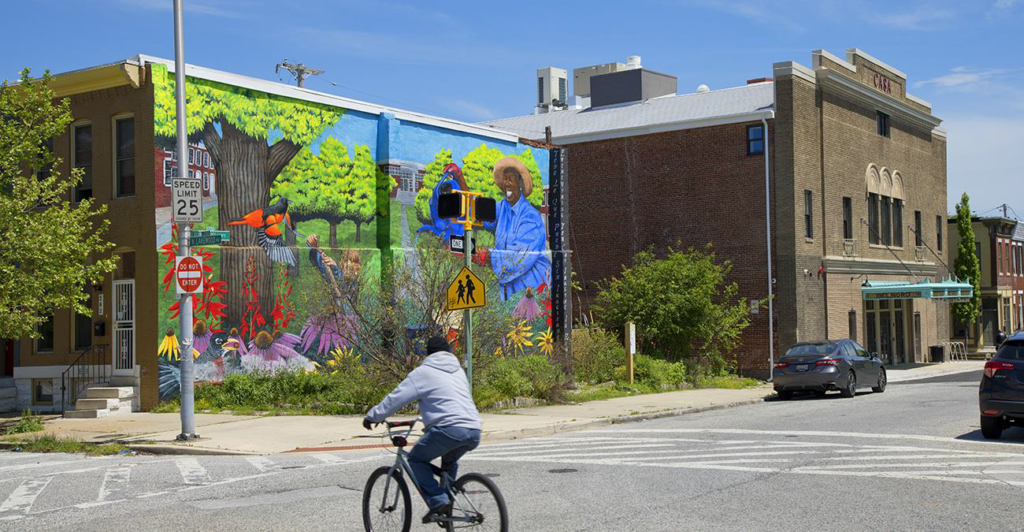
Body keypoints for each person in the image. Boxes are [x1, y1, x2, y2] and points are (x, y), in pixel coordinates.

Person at [363, 336, 482, 523]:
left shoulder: (423, 372)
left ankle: (439, 501)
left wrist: (374, 416)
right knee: (448, 463)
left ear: (429, 353)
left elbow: (396, 398)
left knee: (415, 459)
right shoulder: (459, 371)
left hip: (448, 429)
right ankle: (448, 504)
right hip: (474, 430)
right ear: (448, 352)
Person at [489, 157, 550, 301]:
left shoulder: (530, 217)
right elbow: (477, 215)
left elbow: (519, 259)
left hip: (531, 288)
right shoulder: (502, 207)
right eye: (504, 179)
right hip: (508, 289)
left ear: (520, 184)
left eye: (511, 178)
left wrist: (488, 257)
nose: (507, 183)